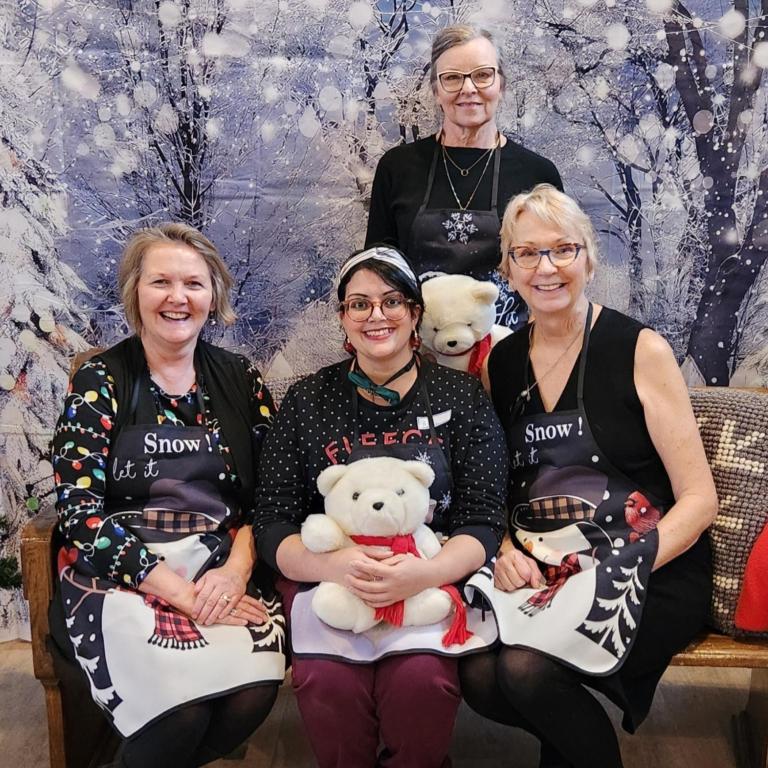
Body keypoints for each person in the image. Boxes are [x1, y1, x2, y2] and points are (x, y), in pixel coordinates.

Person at [458, 184, 718, 768]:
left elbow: (700, 499)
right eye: (528, 253)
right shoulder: (501, 362)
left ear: (589, 259)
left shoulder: (640, 349)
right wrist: (505, 549)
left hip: (649, 568)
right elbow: (496, 485)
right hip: (548, 565)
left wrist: (618, 570)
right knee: (480, 677)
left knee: (527, 672)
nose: (546, 267)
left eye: (563, 249)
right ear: (508, 269)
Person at [253, 245, 508, 768]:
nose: (376, 315)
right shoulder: (307, 400)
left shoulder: (460, 397)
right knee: (326, 681)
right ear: (343, 318)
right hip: (328, 579)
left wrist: (424, 573)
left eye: (392, 301)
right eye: (359, 304)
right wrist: (334, 565)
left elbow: (483, 517)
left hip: (431, 573)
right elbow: (272, 520)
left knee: (422, 682)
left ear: (415, 313)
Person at [50, 223, 285, 768]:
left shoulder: (242, 379)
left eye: (193, 284)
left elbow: (275, 494)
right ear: (135, 292)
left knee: (251, 695)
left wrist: (235, 572)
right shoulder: (101, 380)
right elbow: (80, 514)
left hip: (218, 569)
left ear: (213, 296)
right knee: (180, 715)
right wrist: (178, 594)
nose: (177, 297)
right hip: (120, 577)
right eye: (161, 282)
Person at [365, 24, 562, 328]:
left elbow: (552, 277)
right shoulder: (397, 167)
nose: (468, 88)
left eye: (482, 75)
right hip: (418, 347)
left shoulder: (538, 174)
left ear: (501, 85)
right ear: (436, 90)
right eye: (452, 78)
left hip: (508, 348)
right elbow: (377, 272)